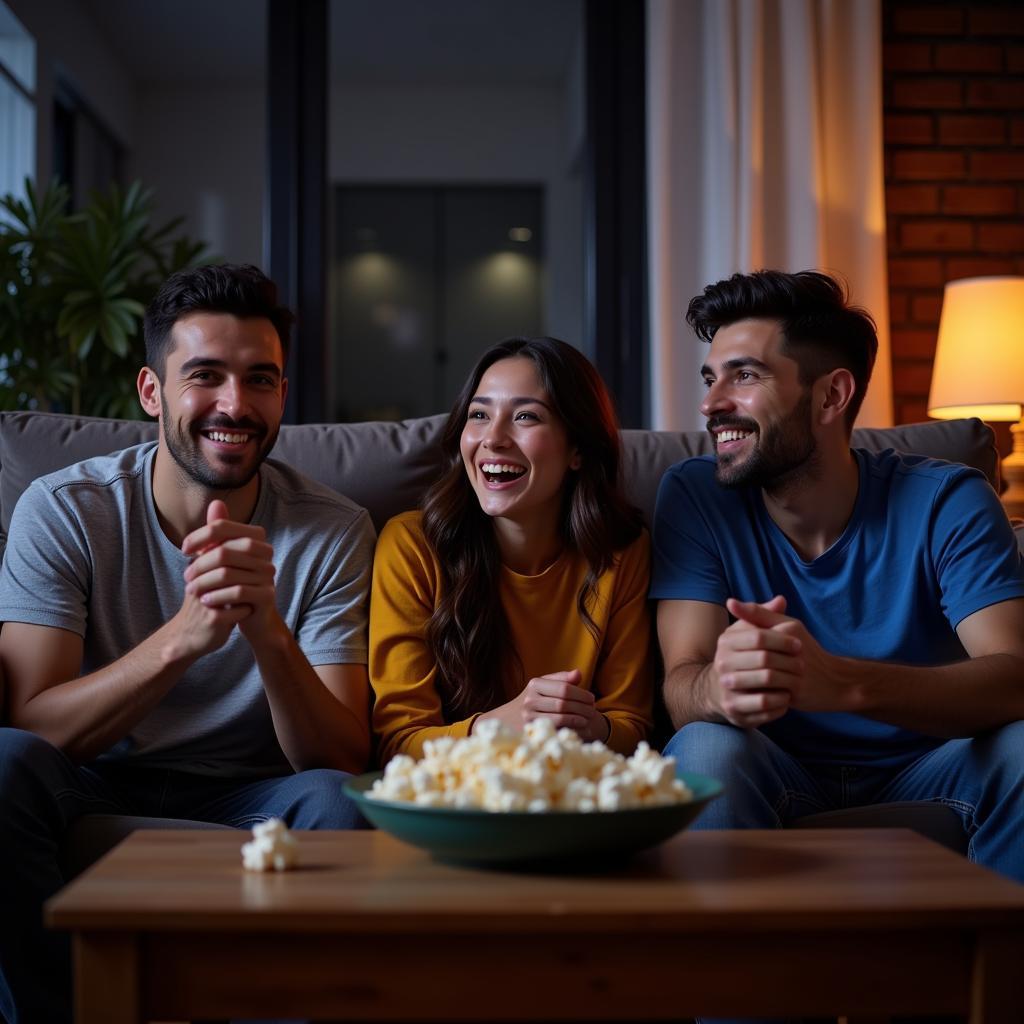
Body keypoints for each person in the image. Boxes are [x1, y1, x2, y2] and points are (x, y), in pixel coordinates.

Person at [0, 263, 375, 1023]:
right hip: (95, 780)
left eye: (259, 380)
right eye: (205, 375)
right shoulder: (68, 509)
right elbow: (32, 724)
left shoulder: (334, 529)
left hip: (255, 791)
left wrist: (266, 629)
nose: (234, 405)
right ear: (151, 392)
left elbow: (340, 758)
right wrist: (185, 636)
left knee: (341, 804)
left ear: (282, 395)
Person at [651, 268, 1024, 885]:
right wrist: (720, 688)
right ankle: (720, 980)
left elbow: (1015, 677)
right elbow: (679, 682)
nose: (712, 404)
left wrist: (842, 684)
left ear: (831, 395)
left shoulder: (946, 498)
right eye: (710, 378)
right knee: (704, 750)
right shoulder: (695, 495)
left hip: (932, 763)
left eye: (745, 375)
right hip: (777, 765)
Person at [370, 336, 653, 763]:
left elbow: (632, 724)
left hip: (573, 792)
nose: (494, 438)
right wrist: (500, 726)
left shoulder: (621, 551)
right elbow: (397, 742)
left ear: (578, 449)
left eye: (525, 416)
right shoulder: (411, 546)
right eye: (479, 415)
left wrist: (592, 726)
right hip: (451, 804)